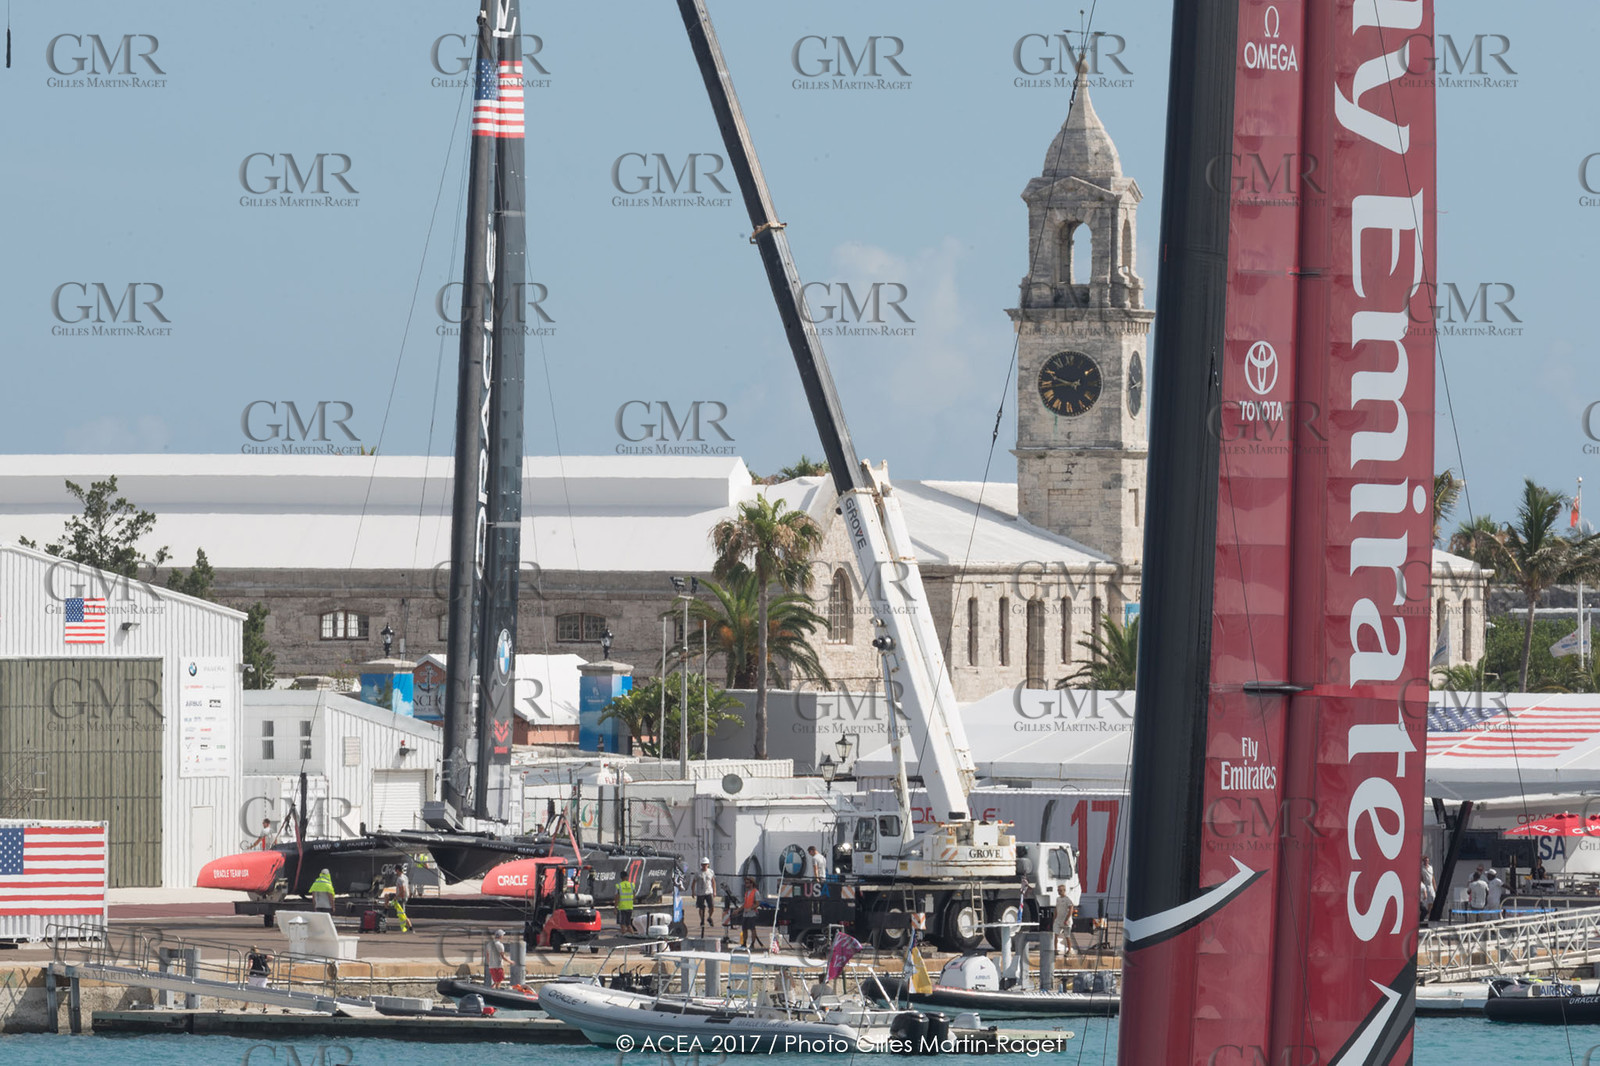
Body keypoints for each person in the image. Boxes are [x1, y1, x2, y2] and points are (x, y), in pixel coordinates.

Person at [693, 859, 717, 935]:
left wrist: (714, 891)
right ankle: (702, 920)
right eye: (703, 864)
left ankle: (709, 917)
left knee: (712, 906)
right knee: (701, 908)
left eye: (705, 864)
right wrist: (693, 892)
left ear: (708, 864)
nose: (704, 866)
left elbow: (713, 882)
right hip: (700, 892)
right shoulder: (698, 873)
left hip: (709, 891)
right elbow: (694, 882)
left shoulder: (710, 872)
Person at [740, 876, 763, 949]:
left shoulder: (755, 892)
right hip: (745, 914)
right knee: (744, 929)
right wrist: (738, 910)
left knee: (752, 929)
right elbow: (745, 904)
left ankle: (752, 944)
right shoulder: (747, 893)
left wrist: (750, 908)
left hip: (752, 914)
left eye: (747, 883)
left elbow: (757, 903)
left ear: (751, 883)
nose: (746, 884)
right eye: (745, 883)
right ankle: (744, 943)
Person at [390, 862, 413, 933]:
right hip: (405, 896)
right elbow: (407, 887)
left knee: (403, 914)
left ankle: (410, 928)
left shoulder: (400, 879)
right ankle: (407, 927)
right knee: (402, 913)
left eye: (395, 870)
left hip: (401, 898)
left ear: (397, 870)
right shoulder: (405, 877)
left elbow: (402, 889)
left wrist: (396, 897)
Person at [1419, 856, 1437, 922]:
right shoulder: (1422, 868)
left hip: (1431, 886)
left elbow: (1432, 877)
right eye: (1425, 860)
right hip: (1425, 885)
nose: (1426, 861)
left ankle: (1429, 915)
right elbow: (1421, 878)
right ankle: (1422, 916)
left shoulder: (1431, 868)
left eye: (1427, 860)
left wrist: (1435, 886)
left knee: (1432, 900)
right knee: (1425, 901)